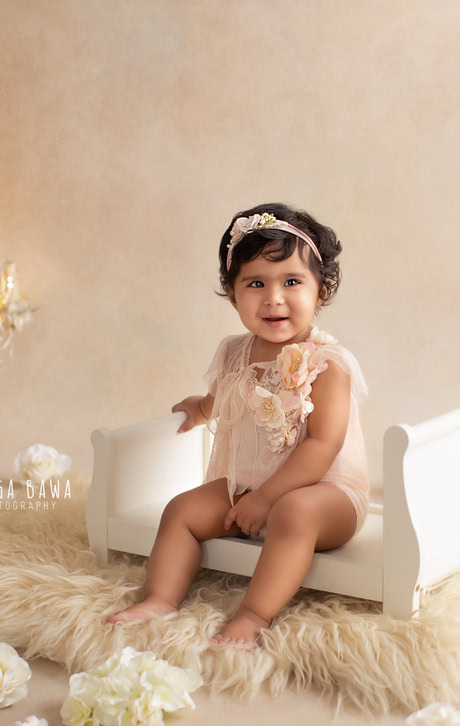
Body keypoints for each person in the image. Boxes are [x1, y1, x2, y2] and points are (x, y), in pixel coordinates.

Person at [105, 203, 369, 650]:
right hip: (249, 488)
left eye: (291, 282)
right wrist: (202, 407)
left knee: (293, 512)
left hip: (327, 497)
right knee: (181, 510)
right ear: (233, 294)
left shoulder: (327, 364)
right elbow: (228, 396)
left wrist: (268, 498)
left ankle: (252, 614)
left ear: (321, 291)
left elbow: (323, 445)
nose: (273, 298)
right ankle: (161, 598)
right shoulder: (234, 353)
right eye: (255, 284)